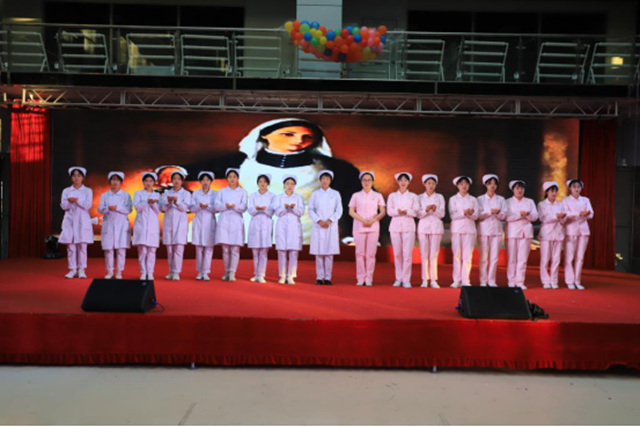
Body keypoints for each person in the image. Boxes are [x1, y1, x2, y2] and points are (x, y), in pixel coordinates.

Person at [180, 118, 361, 244]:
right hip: (250, 222)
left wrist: (352, 234)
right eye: (288, 134)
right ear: (265, 135)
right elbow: (199, 170)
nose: (299, 141)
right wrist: (175, 171)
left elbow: (353, 200)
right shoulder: (242, 161)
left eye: (307, 137)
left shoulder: (333, 167)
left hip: (307, 227)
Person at [348, 171, 386, 286]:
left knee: (371, 254)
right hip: (359, 226)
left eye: (369, 180)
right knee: (360, 253)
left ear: (372, 182)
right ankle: (360, 277)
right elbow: (351, 211)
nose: (366, 182)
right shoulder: (356, 195)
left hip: (373, 227)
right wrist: (362, 220)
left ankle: (369, 278)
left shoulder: (377, 196)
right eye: (364, 180)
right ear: (361, 181)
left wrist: (373, 220)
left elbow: (382, 211)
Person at [309, 170, 343, 285]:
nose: (325, 181)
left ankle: (328, 277)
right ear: (320, 180)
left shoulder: (335, 194)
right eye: (323, 178)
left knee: (329, 254)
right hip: (318, 226)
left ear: (330, 181)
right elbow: (310, 209)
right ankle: (319, 277)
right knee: (319, 254)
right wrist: (319, 220)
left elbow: (339, 210)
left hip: (330, 226)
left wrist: (329, 220)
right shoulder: (315, 194)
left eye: (327, 179)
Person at [59, 166, 94, 279]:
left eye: (79, 176)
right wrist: (70, 202)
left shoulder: (88, 191)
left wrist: (77, 200)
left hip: (83, 220)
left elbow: (87, 206)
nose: (76, 178)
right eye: (74, 176)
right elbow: (63, 206)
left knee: (82, 246)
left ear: (83, 177)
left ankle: (82, 270)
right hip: (69, 220)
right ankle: (72, 269)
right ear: (71, 178)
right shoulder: (66, 191)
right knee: (71, 246)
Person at [214, 168, 248, 282]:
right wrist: (225, 206)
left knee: (235, 248)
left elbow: (244, 207)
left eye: (234, 177)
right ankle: (226, 271)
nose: (232, 179)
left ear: (237, 178)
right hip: (224, 220)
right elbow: (216, 205)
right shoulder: (222, 191)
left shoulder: (242, 192)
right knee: (225, 249)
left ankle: (232, 272)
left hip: (236, 220)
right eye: (230, 177)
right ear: (227, 179)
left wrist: (235, 206)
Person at [97, 172, 132, 280]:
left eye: (117, 180)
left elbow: (129, 209)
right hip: (109, 223)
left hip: (121, 225)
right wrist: (107, 208)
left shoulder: (126, 195)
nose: (115, 182)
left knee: (121, 250)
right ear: (110, 182)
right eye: (113, 179)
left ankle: (119, 272)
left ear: (121, 182)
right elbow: (99, 209)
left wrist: (117, 208)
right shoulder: (105, 195)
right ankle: (110, 271)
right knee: (108, 249)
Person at [271, 174, 305, 284]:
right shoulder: (278, 197)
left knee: (293, 252)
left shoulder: (298, 197)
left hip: (294, 226)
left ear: (295, 185)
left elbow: (301, 212)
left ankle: (291, 276)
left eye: (292, 184)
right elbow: (276, 212)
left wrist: (293, 208)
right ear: (284, 185)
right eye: (287, 184)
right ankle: (282, 275)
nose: (290, 186)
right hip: (282, 225)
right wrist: (284, 208)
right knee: (282, 252)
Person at [505, 180, 539, 289]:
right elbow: (507, 216)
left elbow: (535, 216)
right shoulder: (507, 202)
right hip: (512, 232)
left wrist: (527, 215)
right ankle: (511, 281)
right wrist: (520, 214)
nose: (520, 190)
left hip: (526, 232)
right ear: (513, 190)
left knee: (523, 259)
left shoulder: (530, 201)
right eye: (517, 188)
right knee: (512, 258)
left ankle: (520, 282)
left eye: (521, 188)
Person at [387, 172, 418, 289]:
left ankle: (406, 279)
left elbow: (416, 211)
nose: (403, 182)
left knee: (407, 254)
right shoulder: (392, 196)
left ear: (409, 182)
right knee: (397, 253)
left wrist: (407, 212)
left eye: (405, 180)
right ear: (397, 182)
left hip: (408, 226)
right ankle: (398, 278)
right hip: (395, 226)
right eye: (401, 180)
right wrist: (397, 212)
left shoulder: (413, 196)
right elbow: (389, 211)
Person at [414, 174, 445, 289]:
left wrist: (435, 210)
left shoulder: (439, 197)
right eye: (429, 183)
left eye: (433, 183)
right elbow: (418, 214)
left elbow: (442, 214)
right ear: (424, 184)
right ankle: (424, 279)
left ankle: (433, 280)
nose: (431, 185)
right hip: (423, 227)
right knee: (424, 254)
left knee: (434, 255)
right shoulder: (419, 197)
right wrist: (426, 210)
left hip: (436, 227)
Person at [563, 179, 594, 290]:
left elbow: (591, 214)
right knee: (569, 257)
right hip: (571, 230)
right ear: (570, 188)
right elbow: (566, 214)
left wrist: (586, 214)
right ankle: (569, 280)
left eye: (578, 187)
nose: (576, 189)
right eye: (574, 186)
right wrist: (579, 214)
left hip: (583, 230)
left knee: (580, 257)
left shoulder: (585, 200)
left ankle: (577, 280)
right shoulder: (565, 200)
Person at [160, 169, 191, 281]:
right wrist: (168, 202)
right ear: (171, 180)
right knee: (169, 249)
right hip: (168, 223)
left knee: (178, 248)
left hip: (180, 223)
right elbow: (162, 208)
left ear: (182, 181)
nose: (176, 181)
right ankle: (171, 271)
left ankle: (176, 272)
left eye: (179, 179)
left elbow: (185, 208)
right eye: (174, 179)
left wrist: (177, 202)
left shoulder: (186, 194)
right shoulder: (166, 193)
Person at [476, 174, 507, 287]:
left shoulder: (501, 199)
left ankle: (492, 280)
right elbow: (478, 215)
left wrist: (498, 213)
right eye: (490, 183)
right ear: (486, 185)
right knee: (483, 257)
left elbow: (504, 215)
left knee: (494, 258)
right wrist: (490, 212)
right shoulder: (480, 199)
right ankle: (483, 280)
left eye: (494, 183)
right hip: (484, 230)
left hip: (497, 231)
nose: (492, 186)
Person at [448, 176, 479, 288]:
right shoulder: (453, 199)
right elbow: (453, 215)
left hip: (469, 230)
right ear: (457, 185)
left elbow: (476, 216)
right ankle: (456, 280)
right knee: (457, 255)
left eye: (466, 183)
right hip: (457, 230)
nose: (464, 186)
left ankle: (466, 280)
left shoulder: (473, 199)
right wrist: (464, 212)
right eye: (461, 184)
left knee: (467, 256)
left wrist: (470, 213)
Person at [247, 173, 276, 283]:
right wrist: (257, 209)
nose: (262, 184)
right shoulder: (253, 195)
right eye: (260, 182)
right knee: (255, 251)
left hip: (266, 223)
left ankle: (261, 274)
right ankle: (256, 274)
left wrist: (264, 209)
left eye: (264, 182)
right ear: (257, 183)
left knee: (263, 251)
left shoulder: (272, 196)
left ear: (268, 183)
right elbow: (250, 210)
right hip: (255, 223)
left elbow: (272, 211)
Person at [538, 181, 566, 289]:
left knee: (556, 259)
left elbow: (564, 220)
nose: (554, 193)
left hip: (558, 233)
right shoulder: (541, 204)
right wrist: (556, 217)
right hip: (546, 234)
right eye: (552, 191)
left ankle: (554, 280)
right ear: (546, 192)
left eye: (555, 191)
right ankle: (545, 280)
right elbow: (543, 218)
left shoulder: (560, 205)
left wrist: (562, 218)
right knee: (545, 258)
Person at [132, 172, 161, 280]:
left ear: (154, 182)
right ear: (143, 182)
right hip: (142, 224)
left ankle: (150, 272)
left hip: (153, 226)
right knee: (143, 251)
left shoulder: (157, 195)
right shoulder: (138, 193)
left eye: (151, 181)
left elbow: (158, 210)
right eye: (146, 181)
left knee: (152, 251)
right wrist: (146, 202)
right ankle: (143, 272)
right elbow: (137, 208)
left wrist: (153, 203)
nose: (148, 183)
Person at [191, 171, 217, 281]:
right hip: (198, 222)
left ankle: (206, 272)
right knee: (199, 248)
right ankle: (199, 271)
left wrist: (208, 206)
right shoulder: (195, 193)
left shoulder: (215, 194)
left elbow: (217, 209)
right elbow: (191, 208)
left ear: (211, 181)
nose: (205, 182)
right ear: (200, 181)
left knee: (208, 248)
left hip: (210, 222)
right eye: (203, 180)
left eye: (207, 180)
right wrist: (199, 206)